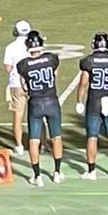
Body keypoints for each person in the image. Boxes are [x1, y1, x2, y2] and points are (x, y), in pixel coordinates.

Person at [77, 31, 108, 180]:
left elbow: (83, 84)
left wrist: (79, 101)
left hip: (94, 100)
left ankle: (91, 171)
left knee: (92, 136)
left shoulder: (88, 61)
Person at [17, 30, 64, 185]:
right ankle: (57, 172)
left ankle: (37, 176)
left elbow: (24, 86)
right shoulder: (51, 58)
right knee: (56, 137)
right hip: (51, 101)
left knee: (34, 140)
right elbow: (54, 75)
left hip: (35, 102)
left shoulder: (23, 65)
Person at [1, 19, 33, 156]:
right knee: (37, 114)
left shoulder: (11, 47)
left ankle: (19, 145)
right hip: (34, 83)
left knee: (17, 116)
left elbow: (8, 68)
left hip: (16, 84)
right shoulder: (34, 45)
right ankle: (42, 143)